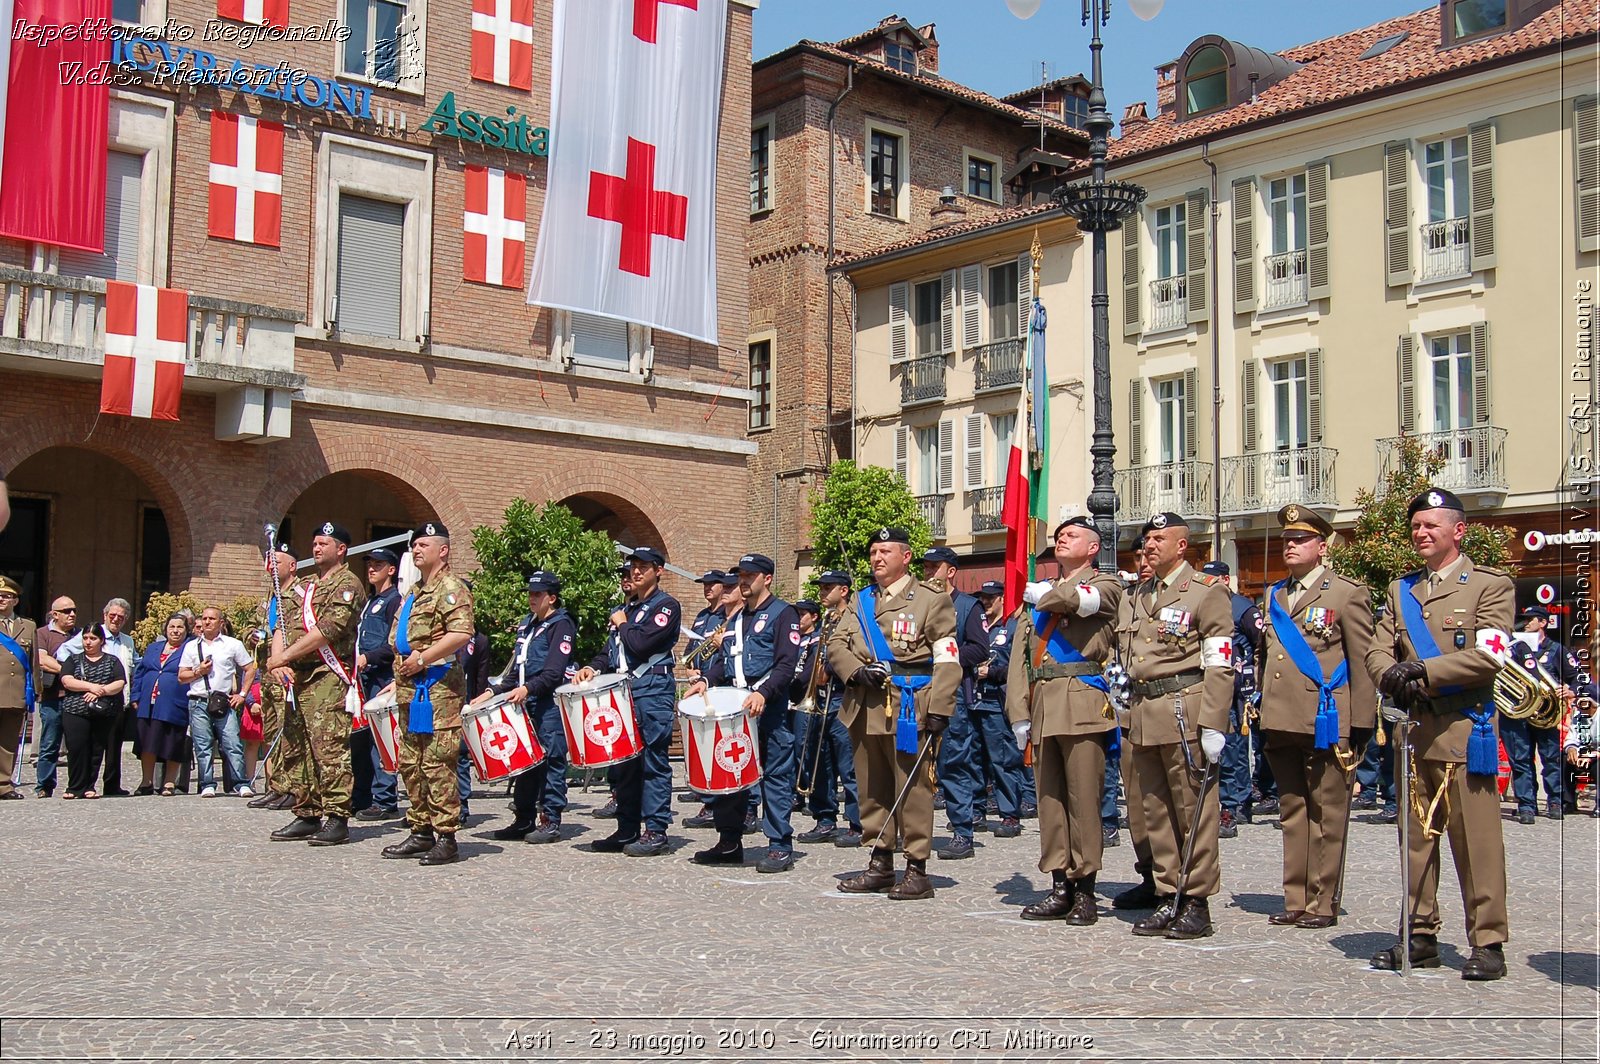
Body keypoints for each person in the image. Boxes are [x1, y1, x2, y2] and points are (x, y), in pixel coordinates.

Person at [1366, 486, 1513, 981]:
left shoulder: (1489, 586)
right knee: (1416, 839)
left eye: (1431, 526)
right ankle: (1420, 933)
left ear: (1458, 530)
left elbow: (1490, 655)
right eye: (1416, 527)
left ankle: (1488, 940)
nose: (1421, 533)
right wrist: (1387, 673)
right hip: (1415, 730)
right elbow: (1377, 647)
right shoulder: (1400, 590)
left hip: (1464, 727)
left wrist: (1422, 672)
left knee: (1476, 841)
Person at [1256, 504, 1376, 930]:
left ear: (1321, 547)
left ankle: (1324, 900)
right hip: (1281, 716)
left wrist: (1362, 722)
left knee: (1328, 811)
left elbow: (1362, 661)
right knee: (1292, 809)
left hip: (1326, 717)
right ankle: (1296, 896)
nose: (1290, 546)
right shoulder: (1274, 594)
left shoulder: (1346, 593)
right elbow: (1266, 657)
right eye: (1287, 540)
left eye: (1300, 540)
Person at [1117, 513, 1235, 940]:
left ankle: (1196, 901)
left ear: (1182, 546)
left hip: (1186, 709)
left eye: (1159, 538)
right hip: (1145, 712)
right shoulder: (1137, 595)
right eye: (1147, 538)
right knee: (1156, 812)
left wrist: (1214, 722)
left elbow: (1221, 660)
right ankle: (1169, 893)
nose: (1149, 545)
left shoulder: (1205, 593)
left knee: (1193, 810)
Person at [828, 527, 960, 900]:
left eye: (885, 551)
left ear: (905, 556)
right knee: (872, 787)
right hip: (865, 704)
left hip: (909, 704)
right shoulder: (861, 599)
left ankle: (916, 868)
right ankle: (880, 861)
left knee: (913, 788)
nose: (876, 558)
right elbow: (837, 642)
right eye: (872, 551)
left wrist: (940, 707)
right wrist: (855, 670)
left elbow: (947, 658)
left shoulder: (931, 601)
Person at [1009, 517, 1124, 923]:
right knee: (1050, 803)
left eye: (1072, 535)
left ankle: (1086, 889)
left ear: (1093, 547)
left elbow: (1080, 602)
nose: (1061, 539)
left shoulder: (1107, 584)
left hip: (1082, 706)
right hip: (1043, 706)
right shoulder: (1038, 594)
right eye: (1058, 536)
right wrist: (1018, 712)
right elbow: (1021, 661)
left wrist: (1046, 594)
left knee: (1083, 802)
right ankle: (1059, 884)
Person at [686, 553, 801, 872]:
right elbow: (726, 662)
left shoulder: (783, 614)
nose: (743, 580)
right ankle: (729, 841)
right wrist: (707, 680)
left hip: (768, 707)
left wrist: (763, 693)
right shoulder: (734, 619)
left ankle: (779, 845)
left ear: (767, 578)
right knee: (730, 772)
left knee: (776, 776)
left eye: (750, 575)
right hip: (735, 709)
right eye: (741, 575)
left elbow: (786, 664)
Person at [573, 547, 682, 855]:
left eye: (643, 567)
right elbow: (612, 653)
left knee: (652, 763)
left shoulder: (666, 606)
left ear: (658, 571)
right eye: (634, 566)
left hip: (652, 689)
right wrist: (592, 667)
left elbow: (640, 645)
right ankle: (626, 828)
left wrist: (622, 623)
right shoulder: (629, 609)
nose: (636, 572)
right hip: (624, 693)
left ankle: (656, 829)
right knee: (624, 765)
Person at [264, 522, 367, 846]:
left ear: (341, 549)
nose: (317, 548)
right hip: (297, 675)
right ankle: (307, 811)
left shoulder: (347, 584)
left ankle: (337, 817)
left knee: (328, 748)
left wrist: (283, 658)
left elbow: (328, 630)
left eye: (324, 543)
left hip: (327, 675)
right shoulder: (304, 585)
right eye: (315, 543)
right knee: (298, 747)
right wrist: (278, 660)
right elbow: (282, 622)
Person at [381, 523, 475, 865]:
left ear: (443, 550)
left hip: (438, 690)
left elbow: (461, 633)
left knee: (437, 763)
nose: (416, 550)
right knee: (411, 763)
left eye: (423, 544)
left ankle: (446, 836)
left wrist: (422, 658)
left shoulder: (451, 588)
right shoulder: (415, 591)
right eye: (414, 545)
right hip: (410, 689)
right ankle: (420, 830)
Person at [487, 570, 576, 844]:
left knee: (551, 760)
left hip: (548, 704)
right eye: (530, 593)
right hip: (526, 702)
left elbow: (553, 672)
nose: (532, 598)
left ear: (552, 597)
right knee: (525, 763)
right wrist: (493, 691)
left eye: (538, 594)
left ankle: (550, 819)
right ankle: (523, 818)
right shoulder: (528, 625)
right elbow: (516, 670)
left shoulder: (561, 625)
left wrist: (526, 689)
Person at [921, 547, 990, 860]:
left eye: (935, 567)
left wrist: (946, 657)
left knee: (954, 763)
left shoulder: (967, 606)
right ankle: (912, 830)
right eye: (926, 567)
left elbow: (979, 648)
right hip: (918, 693)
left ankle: (962, 830)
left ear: (951, 571)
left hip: (952, 696)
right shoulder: (919, 604)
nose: (928, 572)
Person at [1504, 605, 1596, 822]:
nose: (1526, 623)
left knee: (1551, 759)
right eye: (1524, 619)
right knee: (1520, 760)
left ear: (1543, 623)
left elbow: (1579, 679)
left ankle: (1556, 801)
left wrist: (1570, 690)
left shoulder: (1557, 650)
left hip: (1546, 714)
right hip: (1518, 713)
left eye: (1531, 619)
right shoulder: (1513, 648)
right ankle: (1527, 805)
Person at [1199, 560, 1265, 839]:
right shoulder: (1201, 603)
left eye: (1214, 578)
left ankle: (1237, 804)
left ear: (1226, 579)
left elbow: (1261, 642)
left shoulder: (1242, 607)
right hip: (1207, 685)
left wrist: (1254, 677)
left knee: (1236, 749)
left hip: (1238, 689)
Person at [796, 571, 862, 848]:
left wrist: (832, 669)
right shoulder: (825, 621)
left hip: (842, 697)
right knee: (819, 762)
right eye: (821, 588)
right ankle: (824, 817)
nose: (822, 592)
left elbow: (858, 653)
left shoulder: (854, 619)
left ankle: (858, 822)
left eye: (828, 588)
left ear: (844, 590)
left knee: (848, 765)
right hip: (820, 701)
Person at [55, 599, 136, 796]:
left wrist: (101, 691)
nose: (116, 619)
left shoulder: (127, 641)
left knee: (105, 748)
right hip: (78, 706)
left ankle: (109, 785)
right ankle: (76, 787)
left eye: (121, 617)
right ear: (105, 615)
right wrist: (90, 687)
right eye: (112, 615)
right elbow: (62, 661)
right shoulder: (84, 641)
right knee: (79, 747)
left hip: (112, 704)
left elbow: (124, 674)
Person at [684, 570, 743, 830]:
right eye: (704, 584)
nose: (707, 588)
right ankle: (708, 798)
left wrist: (721, 644)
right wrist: (689, 669)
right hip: (703, 683)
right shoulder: (702, 617)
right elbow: (690, 649)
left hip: (723, 684)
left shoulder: (729, 617)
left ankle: (731, 806)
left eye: (712, 584)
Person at [969, 579, 1027, 840]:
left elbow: (1018, 668)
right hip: (973, 699)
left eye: (991, 598)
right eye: (983, 597)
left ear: (1004, 598)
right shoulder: (979, 627)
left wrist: (990, 672)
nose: (986, 602)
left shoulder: (1012, 628)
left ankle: (1009, 814)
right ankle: (976, 811)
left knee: (1003, 760)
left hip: (996, 700)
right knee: (973, 760)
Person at [179, 607, 256, 798]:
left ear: (220, 622)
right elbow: (182, 676)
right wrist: (198, 671)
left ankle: (240, 782)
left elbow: (250, 668)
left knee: (232, 743)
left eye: (211, 619)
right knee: (203, 745)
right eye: (204, 618)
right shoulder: (191, 646)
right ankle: (207, 784)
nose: (207, 622)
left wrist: (243, 694)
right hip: (198, 701)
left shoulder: (233, 644)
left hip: (224, 701)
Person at [248, 543, 301, 810]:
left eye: (277, 563)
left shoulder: (297, 595)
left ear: (292, 566)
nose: (271, 568)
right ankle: (275, 784)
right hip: (265, 673)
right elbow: (253, 625)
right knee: (270, 732)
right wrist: (253, 635)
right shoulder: (270, 596)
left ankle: (291, 788)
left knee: (287, 732)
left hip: (284, 672)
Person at [353, 548, 403, 821]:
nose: (372, 568)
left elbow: (393, 644)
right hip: (363, 678)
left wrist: (367, 657)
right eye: (370, 564)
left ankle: (385, 799)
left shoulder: (394, 601)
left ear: (391, 570)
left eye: (378, 564)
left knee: (380, 740)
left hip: (381, 676)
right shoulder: (371, 600)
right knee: (361, 739)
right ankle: (362, 795)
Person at [132, 613, 194, 796]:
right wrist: (135, 696)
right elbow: (140, 672)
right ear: (165, 629)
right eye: (172, 627)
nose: (175, 631)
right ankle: (146, 782)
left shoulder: (189, 648)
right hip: (148, 703)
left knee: (172, 742)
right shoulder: (153, 648)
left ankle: (169, 782)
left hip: (174, 704)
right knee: (147, 743)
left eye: (180, 627)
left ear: (186, 630)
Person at [31, 596, 79, 797]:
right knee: (49, 743)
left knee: (77, 744)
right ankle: (45, 785)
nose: (72, 614)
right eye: (67, 611)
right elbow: (42, 660)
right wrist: (68, 672)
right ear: (55, 614)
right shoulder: (42, 634)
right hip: (52, 696)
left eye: (74, 610)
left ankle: (76, 785)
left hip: (75, 696)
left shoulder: (80, 634)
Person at [0, 575, 36, 800]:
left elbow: (33, 664)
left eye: (6, 596)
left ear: (15, 600)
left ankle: (4, 784)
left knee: (8, 742)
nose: (2, 600)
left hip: (15, 693)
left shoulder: (28, 626)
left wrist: (35, 692)